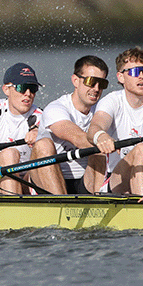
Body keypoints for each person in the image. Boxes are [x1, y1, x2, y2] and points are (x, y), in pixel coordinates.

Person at [87, 47, 143, 196]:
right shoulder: (112, 101)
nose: (142, 76)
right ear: (121, 77)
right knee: (142, 149)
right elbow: (95, 127)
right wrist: (101, 136)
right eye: (135, 72)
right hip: (118, 179)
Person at [0, 63, 66, 195]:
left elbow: (38, 128)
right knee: (10, 154)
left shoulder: (39, 114)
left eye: (32, 88)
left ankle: (62, 205)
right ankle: (13, 206)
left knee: (44, 144)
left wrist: (37, 133)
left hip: (27, 180)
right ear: (6, 89)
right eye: (21, 88)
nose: (28, 94)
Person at [43, 55, 110, 194]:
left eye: (102, 84)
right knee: (43, 146)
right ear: (75, 80)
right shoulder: (55, 108)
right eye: (91, 82)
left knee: (100, 152)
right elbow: (75, 136)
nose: (96, 89)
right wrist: (104, 141)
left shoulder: (104, 111)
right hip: (49, 181)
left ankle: (98, 202)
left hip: (86, 180)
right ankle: (59, 204)